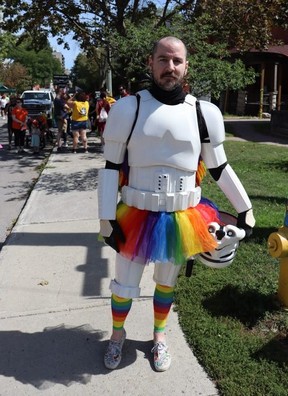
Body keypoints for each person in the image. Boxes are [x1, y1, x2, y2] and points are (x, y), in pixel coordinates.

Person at [97, 36, 255, 372]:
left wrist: (246, 208)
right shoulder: (128, 109)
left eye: (177, 61)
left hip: (182, 216)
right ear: (150, 63)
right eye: (163, 60)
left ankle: (159, 338)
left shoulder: (204, 113)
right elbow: (111, 168)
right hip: (136, 214)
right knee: (124, 285)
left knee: (166, 284)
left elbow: (219, 167)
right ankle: (116, 336)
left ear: (186, 66)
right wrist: (105, 219)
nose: (170, 67)